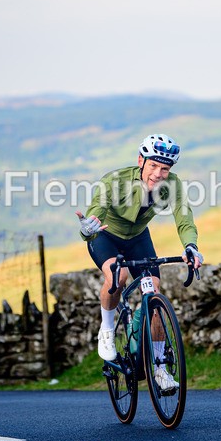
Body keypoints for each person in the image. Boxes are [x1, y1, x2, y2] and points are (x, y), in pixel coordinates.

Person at [75, 133, 203, 390]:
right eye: (153, 165)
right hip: (105, 235)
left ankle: (159, 367)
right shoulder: (115, 180)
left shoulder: (172, 185)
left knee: (153, 294)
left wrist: (191, 246)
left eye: (164, 168)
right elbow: (96, 213)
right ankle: (108, 329)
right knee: (118, 277)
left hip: (137, 238)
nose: (158, 173)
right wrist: (88, 229)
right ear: (141, 161)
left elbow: (184, 217)